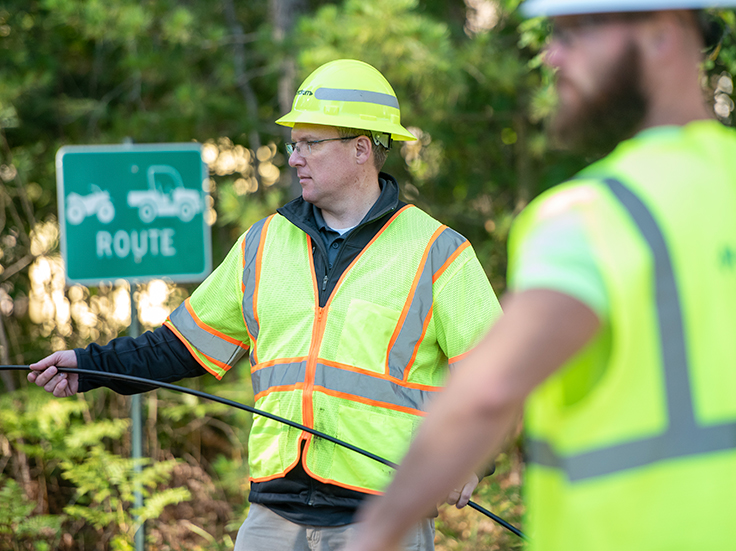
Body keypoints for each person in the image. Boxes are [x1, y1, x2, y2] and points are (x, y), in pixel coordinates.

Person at [29, 59, 502, 551]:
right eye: (292, 144)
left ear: (362, 148)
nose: (294, 158)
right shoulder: (264, 243)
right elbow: (180, 346)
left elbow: (501, 373)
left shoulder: (437, 252)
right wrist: (89, 366)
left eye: (309, 144)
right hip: (274, 516)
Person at [341, 3, 736, 551]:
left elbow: (489, 393)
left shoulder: (592, 218)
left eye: (574, 33)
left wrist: (376, 534)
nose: (552, 56)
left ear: (662, 33)